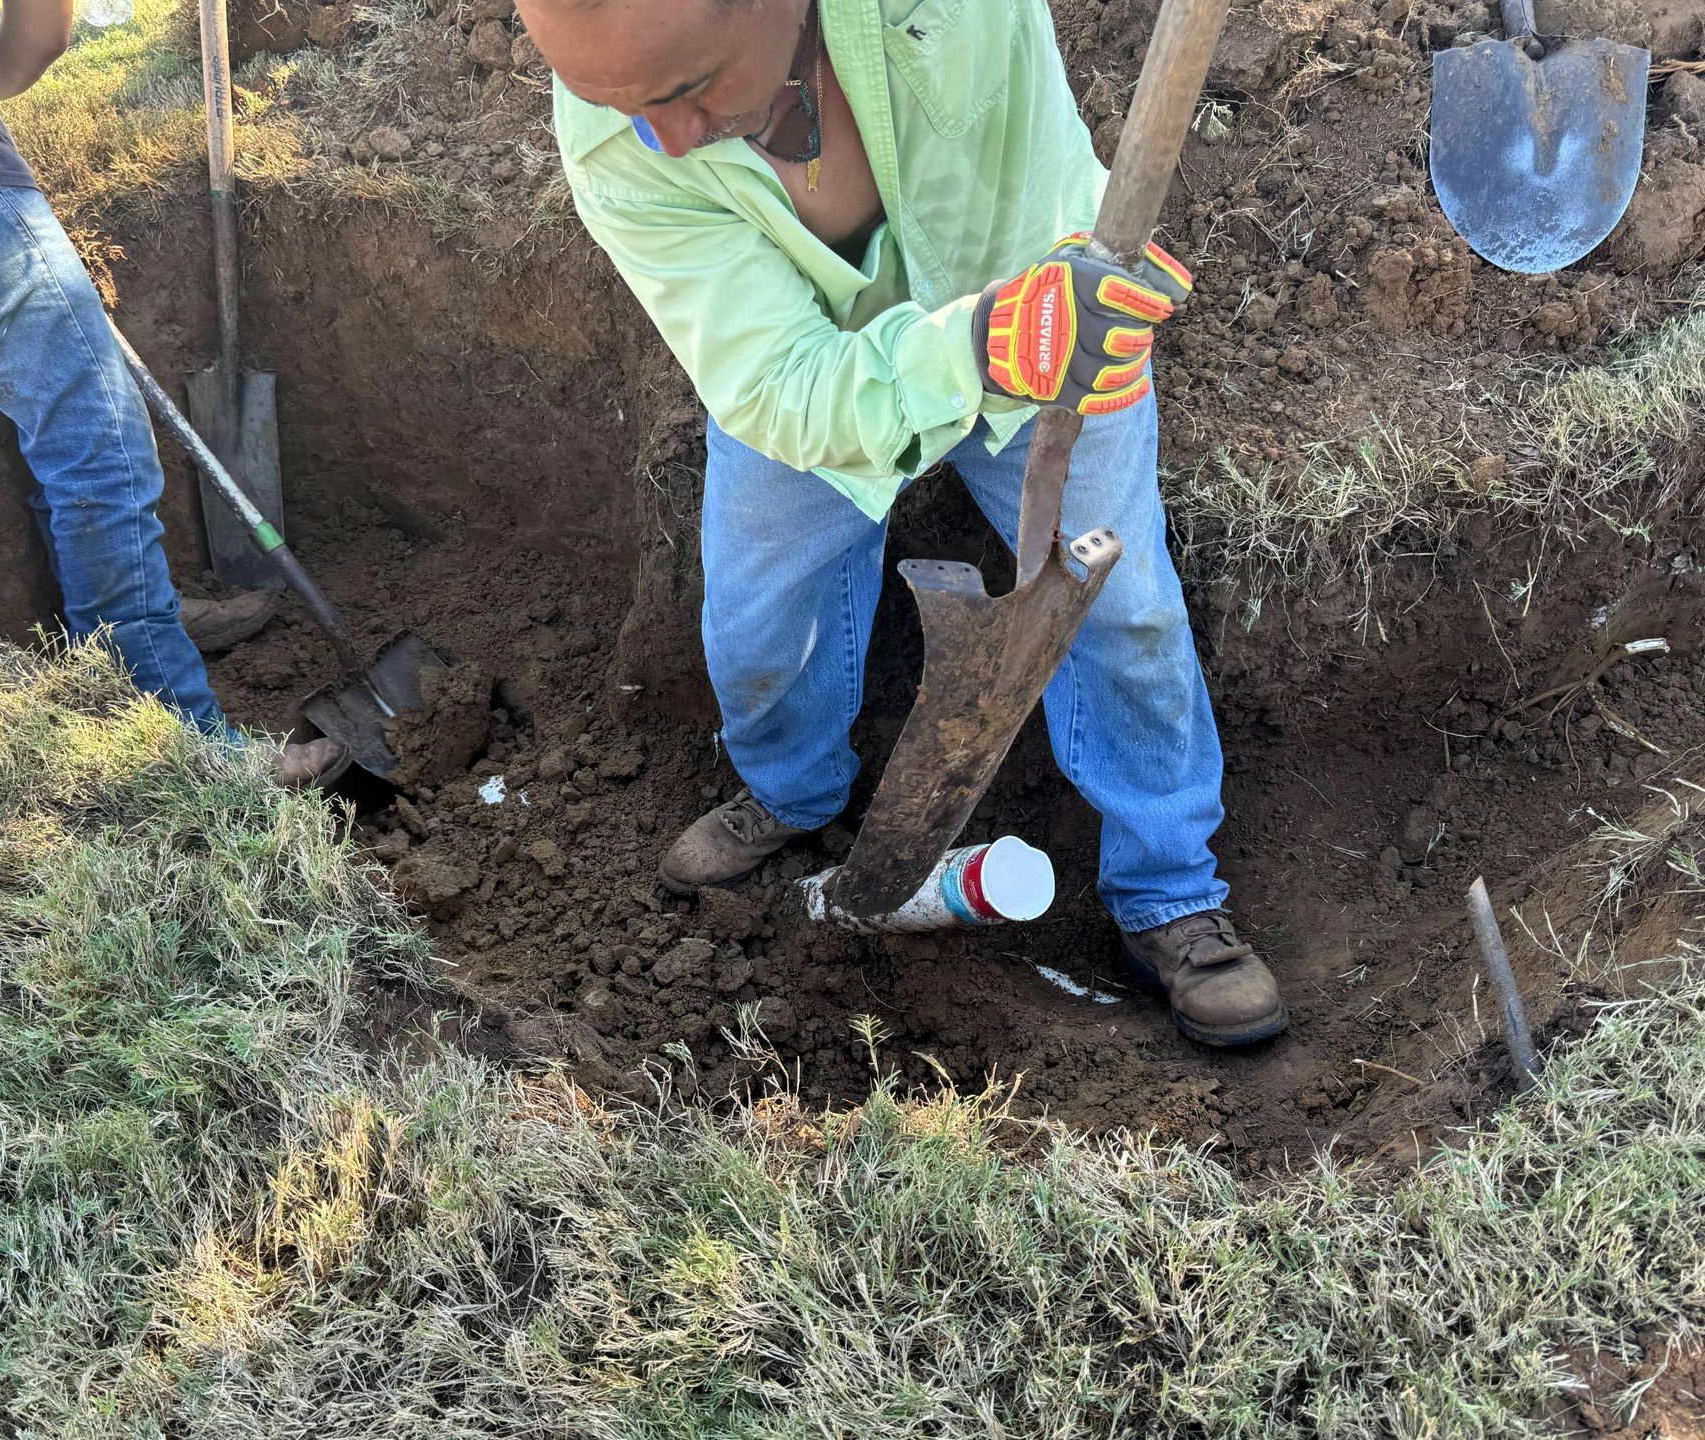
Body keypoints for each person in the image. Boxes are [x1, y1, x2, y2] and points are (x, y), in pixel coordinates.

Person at [518, 0, 1287, 1045]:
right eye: (625, 106)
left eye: (688, 89)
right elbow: (778, 381)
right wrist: (972, 349)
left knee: (1123, 610)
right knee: (757, 616)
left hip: (1058, 300)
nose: (670, 138)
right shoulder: (620, 128)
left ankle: (1168, 891)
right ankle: (792, 793)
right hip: (816, 367)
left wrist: (1031, 329)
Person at [0, 0, 338, 785]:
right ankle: (182, 745)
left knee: (54, 413)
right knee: (100, 444)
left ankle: (137, 617)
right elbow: (38, 40)